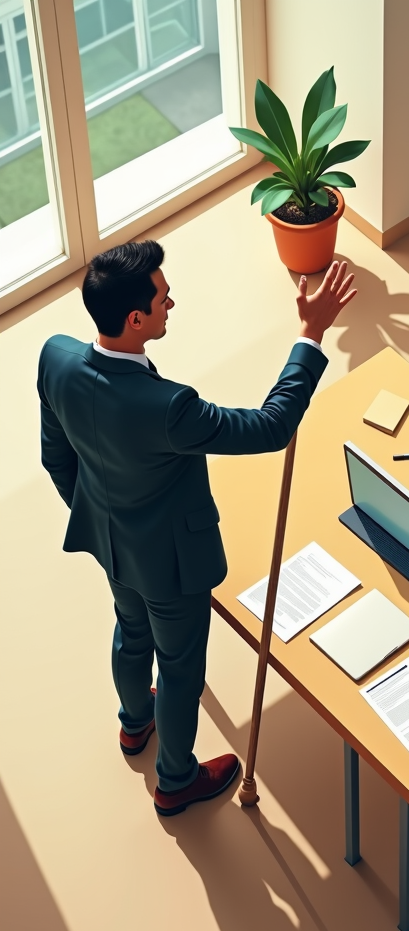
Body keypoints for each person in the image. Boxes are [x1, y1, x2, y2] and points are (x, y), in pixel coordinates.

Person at [37, 241, 356, 816]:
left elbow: (54, 454)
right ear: (136, 319)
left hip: (111, 544)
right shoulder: (168, 408)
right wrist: (310, 335)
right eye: (162, 298)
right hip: (172, 565)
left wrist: (94, 509)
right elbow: (269, 427)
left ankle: (135, 724)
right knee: (180, 665)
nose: (172, 302)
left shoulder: (55, 357)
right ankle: (176, 780)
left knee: (130, 629)